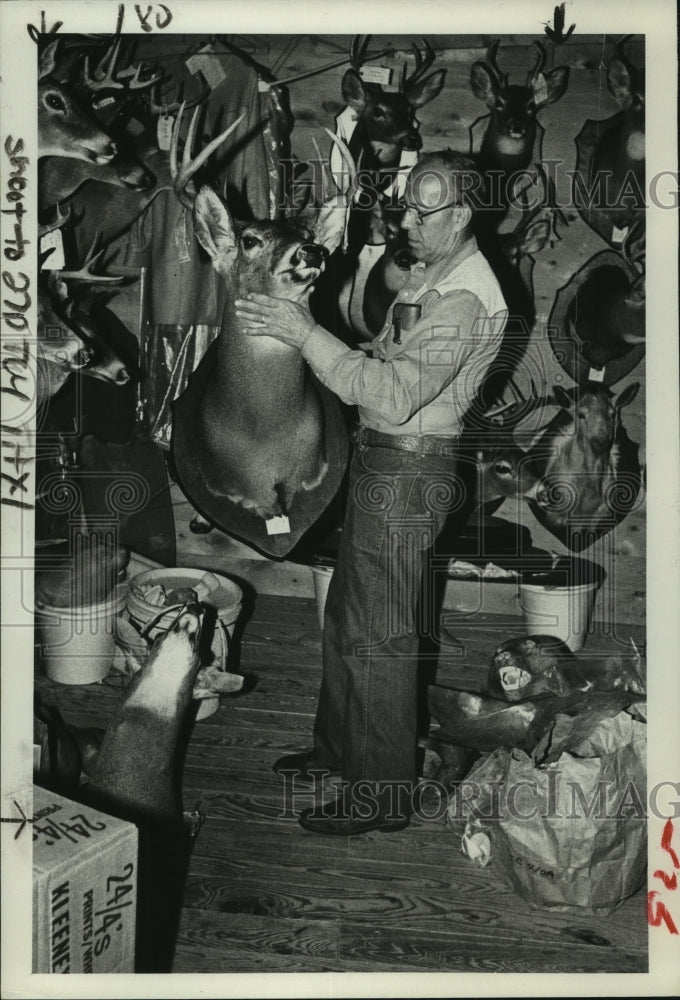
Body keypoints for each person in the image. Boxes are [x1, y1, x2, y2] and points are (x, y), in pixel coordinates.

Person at [235, 151, 508, 835]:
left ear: (464, 213)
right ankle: (341, 752)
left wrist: (305, 334)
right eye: (408, 205)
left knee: (380, 637)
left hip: (410, 471)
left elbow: (391, 392)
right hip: (382, 462)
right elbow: (383, 358)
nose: (408, 221)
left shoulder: (468, 296)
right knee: (348, 621)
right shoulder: (431, 271)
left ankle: (382, 795)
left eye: (425, 210)